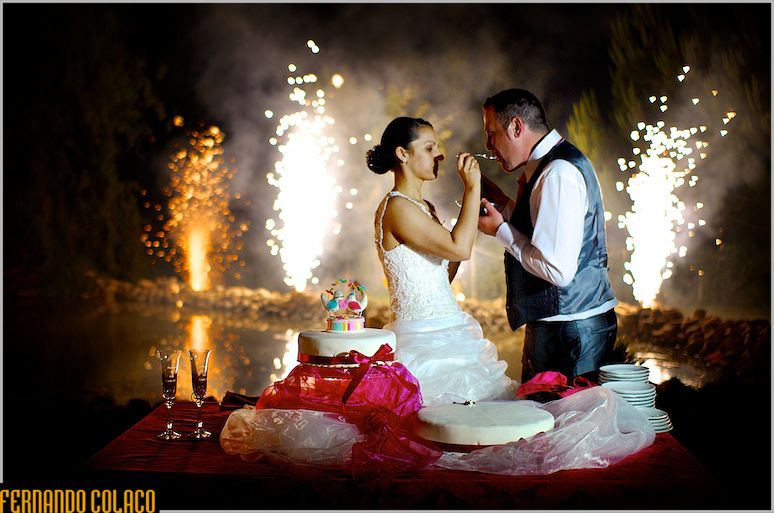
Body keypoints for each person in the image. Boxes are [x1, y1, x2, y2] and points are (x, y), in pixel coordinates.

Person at [367, 116, 514, 406]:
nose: (439, 156)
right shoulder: (397, 207)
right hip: (421, 340)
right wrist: (471, 188)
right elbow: (459, 249)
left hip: (450, 329)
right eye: (429, 148)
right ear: (402, 153)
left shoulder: (423, 207)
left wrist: (471, 222)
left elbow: (444, 271)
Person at [476, 89, 618, 383]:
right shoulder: (554, 165)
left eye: (491, 134)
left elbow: (556, 269)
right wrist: (503, 204)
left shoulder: (557, 173)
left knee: (562, 426)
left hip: (570, 332)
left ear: (516, 127)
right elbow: (547, 231)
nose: (488, 146)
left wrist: (502, 231)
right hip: (568, 326)